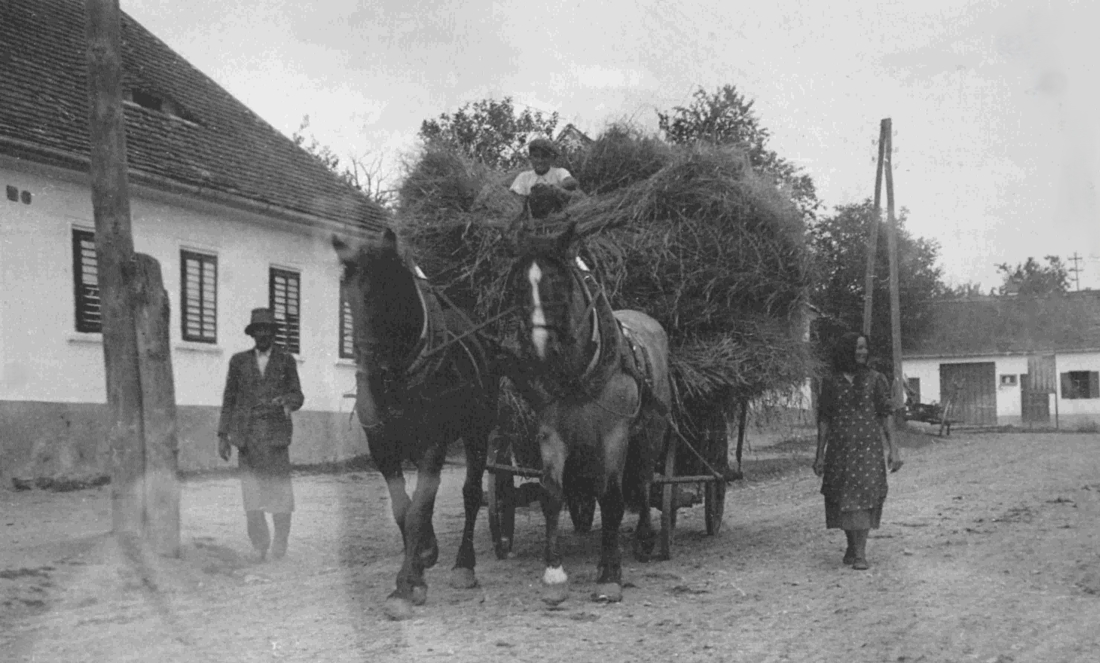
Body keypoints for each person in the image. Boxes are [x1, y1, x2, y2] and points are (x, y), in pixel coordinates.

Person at [217, 308, 304, 562]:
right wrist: (223, 434)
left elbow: (298, 396)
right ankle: (259, 544)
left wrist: (286, 400)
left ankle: (280, 540)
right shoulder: (238, 361)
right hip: (248, 437)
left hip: (275, 437)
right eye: (258, 330)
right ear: (253, 334)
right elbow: (229, 399)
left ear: (273, 333)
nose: (263, 334)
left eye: (267, 329)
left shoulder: (286, 360)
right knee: (252, 496)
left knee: (279, 494)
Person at [813, 332, 903, 570]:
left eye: (864, 348)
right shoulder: (831, 382)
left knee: (863, 498)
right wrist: (819, 455)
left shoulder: (876, 379)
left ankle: (861, 553)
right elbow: (824, 420)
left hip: (868, 450)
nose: (862, 352)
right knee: (842, 498)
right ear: (846, 350)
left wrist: (894, 450)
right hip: (840, 451)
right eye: (857, 348)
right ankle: (852, 545)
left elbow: (886, 415)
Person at [509, 137, 581, 224]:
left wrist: (552, 188)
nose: (540, 161)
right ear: (530, 158)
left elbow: (571, 182)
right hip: (533, 219)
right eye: (536, 156)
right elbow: (517, 199)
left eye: (544, 157)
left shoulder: (559, 172)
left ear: (551, 158)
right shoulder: (524, 177)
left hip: (558, 216)